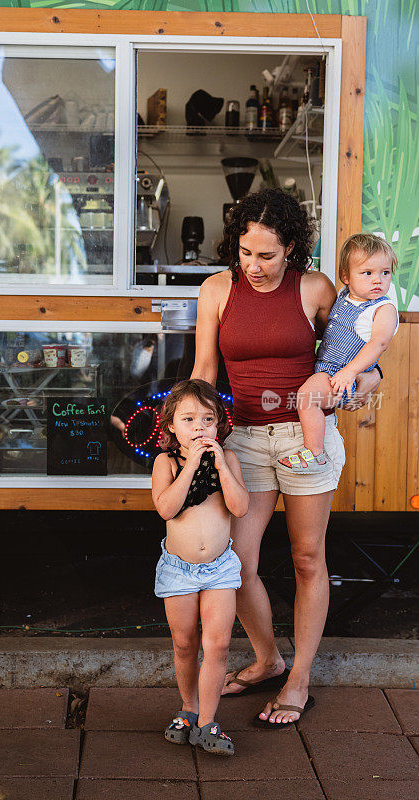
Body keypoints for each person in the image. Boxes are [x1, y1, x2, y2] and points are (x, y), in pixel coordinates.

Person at [191, 188, 381, 728]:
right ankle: (268, 658)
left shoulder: (316, 287)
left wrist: (362, 380)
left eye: (267, 255)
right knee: (237, 564)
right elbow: (206, 369)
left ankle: (298, 679)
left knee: (306, 559)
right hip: (244, 440)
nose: (254, 266)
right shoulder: (216, 290)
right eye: (245, 253)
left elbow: (357, 346)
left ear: (291, 247)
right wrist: (189, 435)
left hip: (305, 438)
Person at [152, 379, 249, 755]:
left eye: (208, 419)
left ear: (219, 425)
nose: (199, 427)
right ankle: (188, 708)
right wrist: (192, 463)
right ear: (171, 427)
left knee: (219, 643)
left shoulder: (231, 460)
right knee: (184, 642)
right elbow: (166, 508)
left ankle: (209, 721)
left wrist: (221, 463)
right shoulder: (167, 462)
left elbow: (239, 508)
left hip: (220, 568)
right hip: (178, 569)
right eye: (189, 419)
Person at [279, 233, 398, 472]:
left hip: (342, 376)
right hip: (328, 370)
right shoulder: (345, 296)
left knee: (305, 398)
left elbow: (378, 344)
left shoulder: (383, 309)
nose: (378, 280)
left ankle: (314, 453)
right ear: (346, 277)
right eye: (368, 273)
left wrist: (349, 372)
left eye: (385, 273)